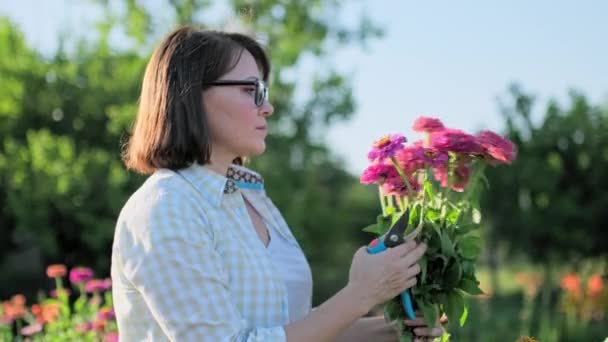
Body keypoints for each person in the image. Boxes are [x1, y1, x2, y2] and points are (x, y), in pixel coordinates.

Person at [111, 25, 443, 341]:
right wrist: (361, 294)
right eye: (250, 90)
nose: (267, 107)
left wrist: (397, 331)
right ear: (192, 95)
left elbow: (289, 329)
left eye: (264, 91)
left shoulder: (250, 198)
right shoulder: (166, 208)